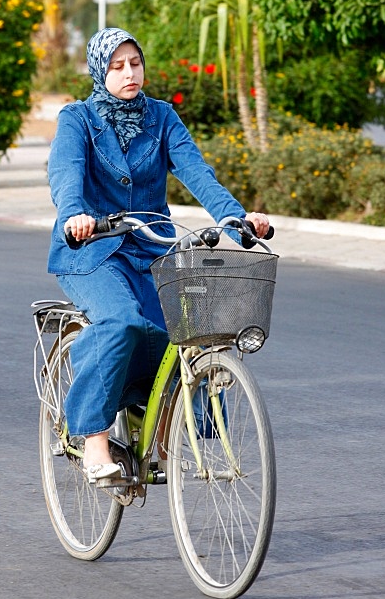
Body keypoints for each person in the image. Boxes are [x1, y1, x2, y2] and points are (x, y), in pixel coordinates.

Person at [47, 27, 271, 483]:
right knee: (122, 322)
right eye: (117, 66)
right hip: (92, 250)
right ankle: (93, 438)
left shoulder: (162, 118)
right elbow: (66, 173)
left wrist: (237, 219)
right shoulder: (78, 119)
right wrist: (75, 214)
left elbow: (198, 174)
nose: (129, 73)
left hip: (153, 247)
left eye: (135, 63)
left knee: (188, 334)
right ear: (99, 71)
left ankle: (162, 435)